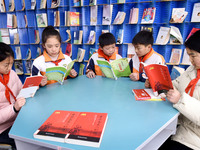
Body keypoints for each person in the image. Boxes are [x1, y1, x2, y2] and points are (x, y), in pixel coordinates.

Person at [158, 30, 200, 150]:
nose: (190, 60)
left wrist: (180, 99)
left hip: (194, 139)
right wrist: (159, 83)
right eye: (188, 55)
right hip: (178, 127)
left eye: (193, 55)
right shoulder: (192, 69)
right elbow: (176, 84)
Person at [0, 42, 26, 148]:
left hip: (17, 120)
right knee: (25, 141)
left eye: (11, 63)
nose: (10, 68)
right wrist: (14, 108)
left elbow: (21, 91)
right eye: (6, 64)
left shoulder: (12, 74)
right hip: (3, 129)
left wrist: (31, 88)